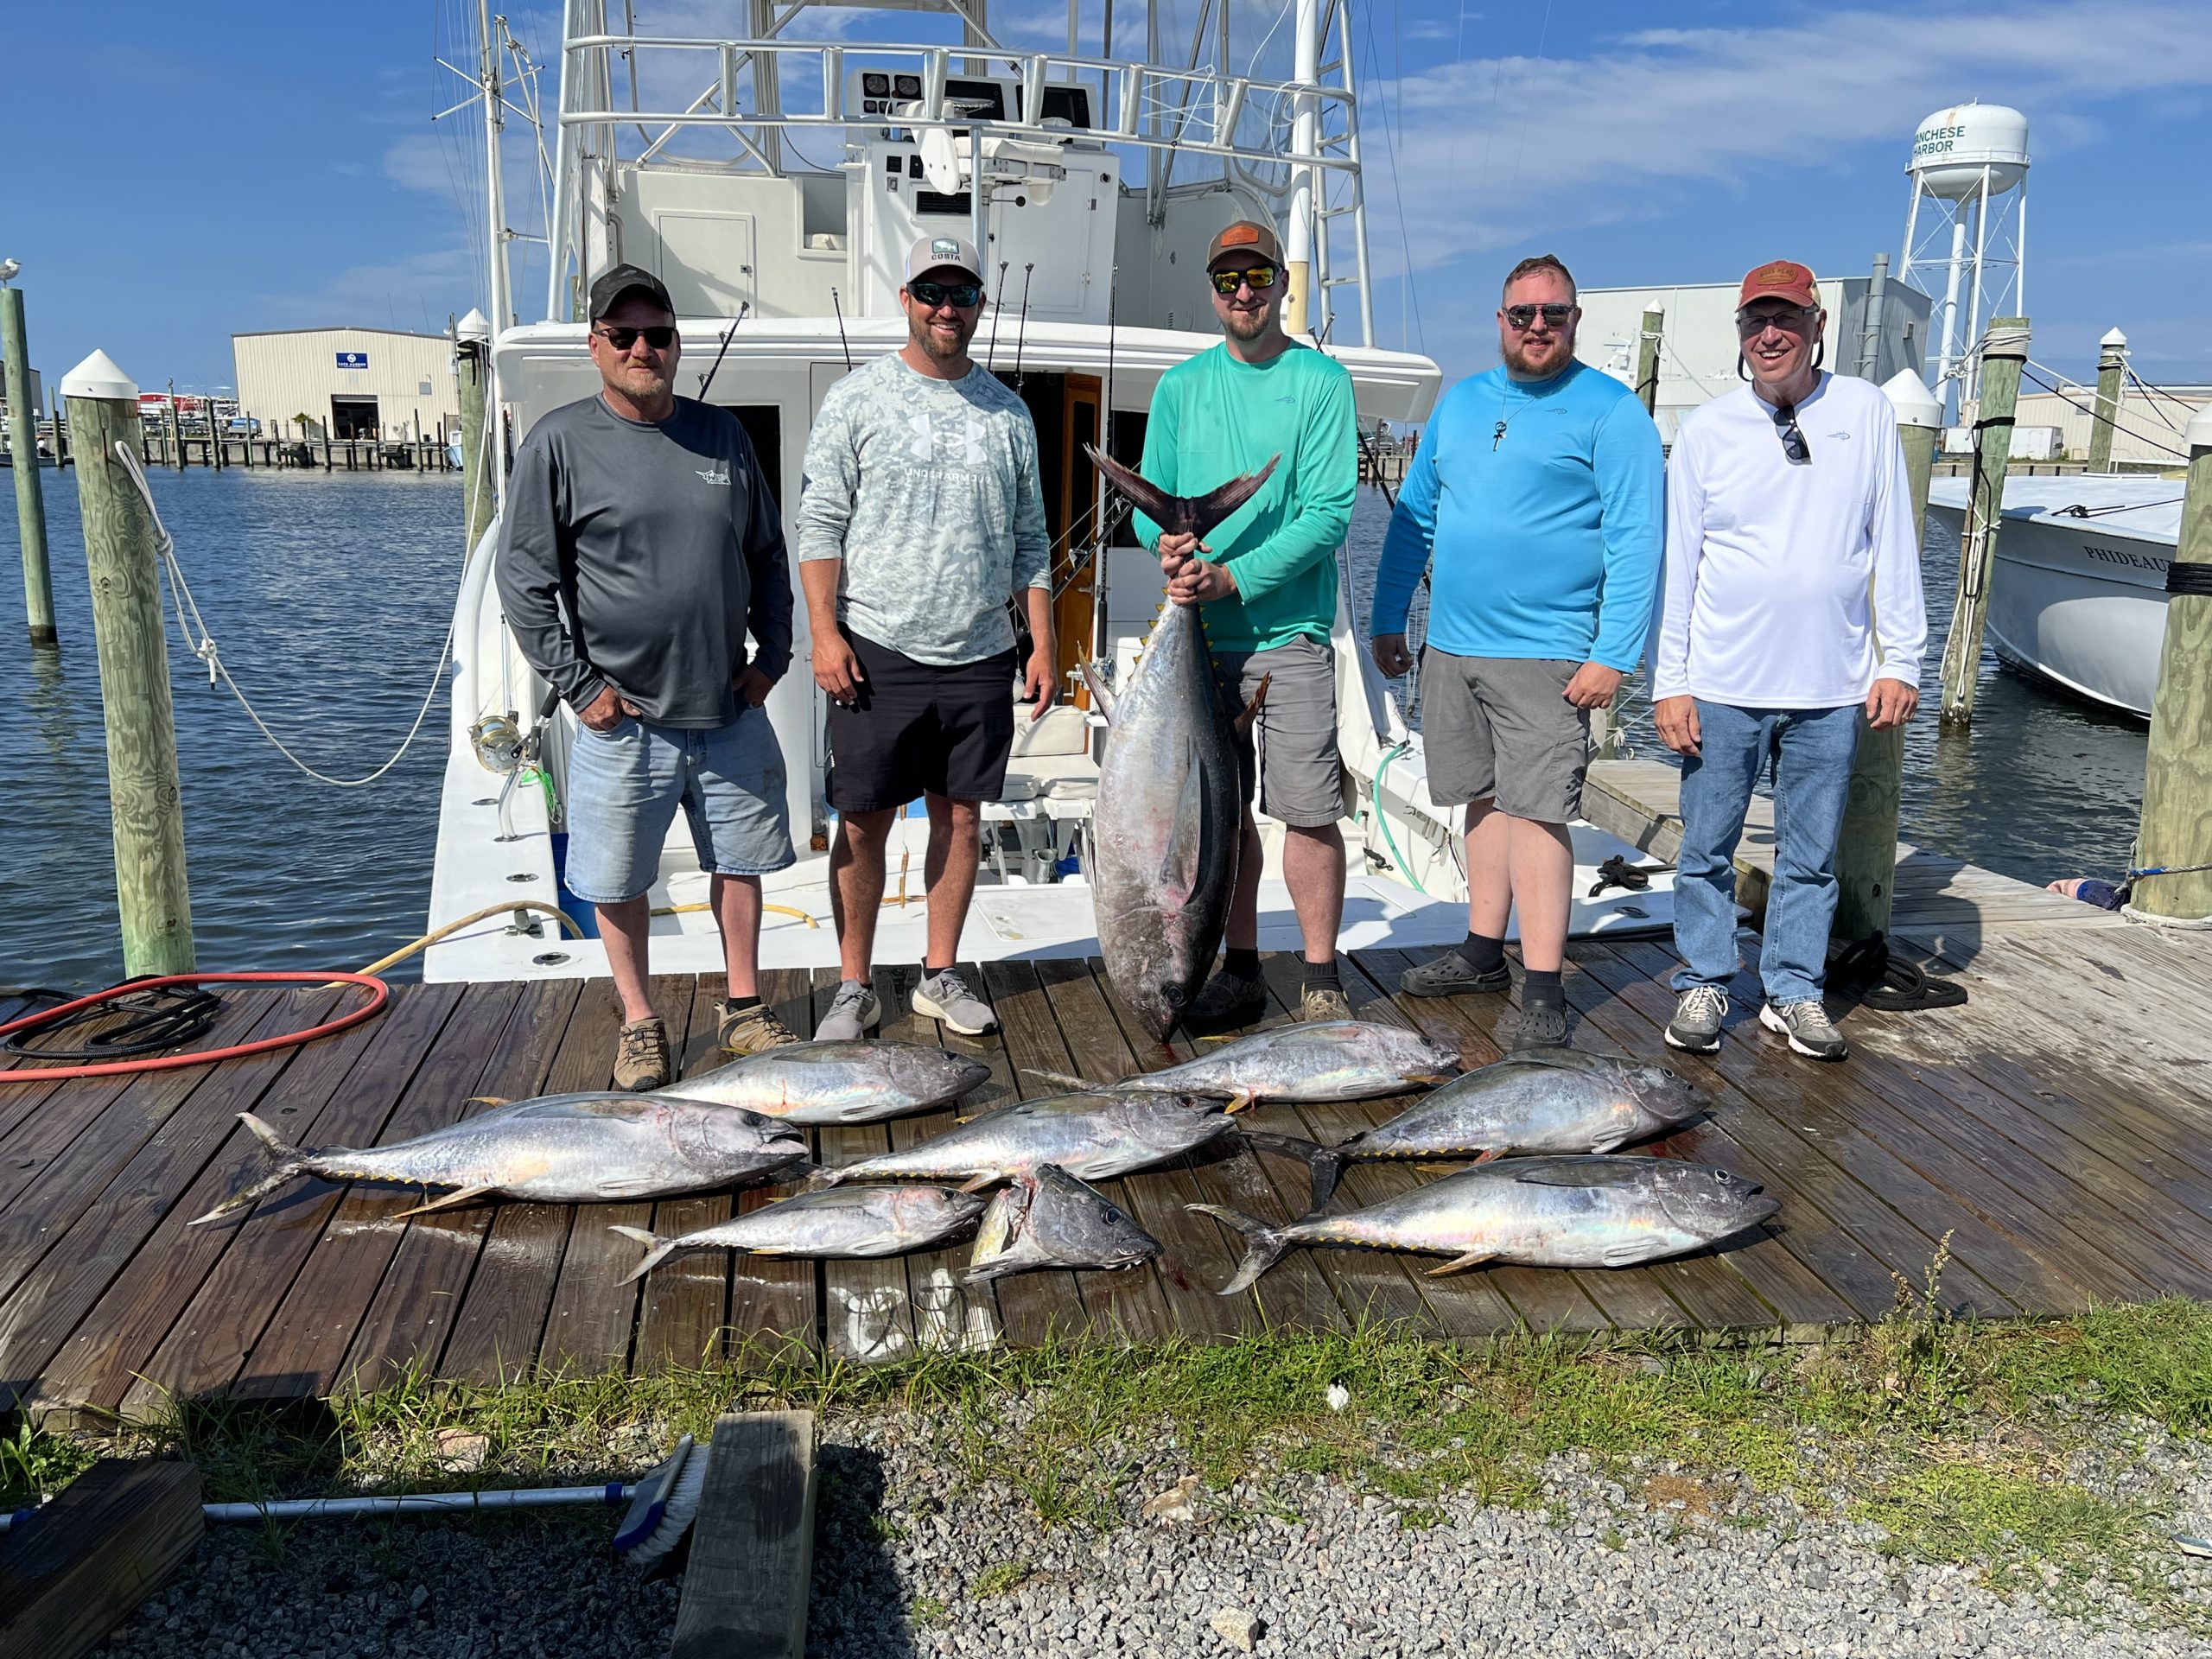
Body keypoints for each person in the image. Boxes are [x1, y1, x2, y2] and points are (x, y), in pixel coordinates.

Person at [498, 263, 799, 1090]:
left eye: (657, 335)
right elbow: (523, 582)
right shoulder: (558, 442)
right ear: (595, 345)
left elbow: (768, 556)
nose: (642, 349)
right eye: (623, 335)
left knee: (740, 863)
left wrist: (772, 658)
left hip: (728, 708)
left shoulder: (724, 437)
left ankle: (744, 1006)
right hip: (621, 718)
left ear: (676, 344)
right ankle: (639, 1021)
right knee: (616, 877)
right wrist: (581, 688)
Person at [1370, 254, 1663, 1049]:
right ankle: (1480, 951)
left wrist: (1614, 654)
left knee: (1537, 813)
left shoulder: (1612, 413)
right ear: (1500, 321)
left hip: (1548, 654)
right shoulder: (1462, 403)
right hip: (1451, 647)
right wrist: (1388, 617)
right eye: (1523, 314)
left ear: (1575, 320)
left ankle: (1543, 985)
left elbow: (1637, 542)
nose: (1538, 326)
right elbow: (1415, 519)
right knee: (1480, 799)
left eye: (1553, 313)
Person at [1651, 259, 1927, 1062]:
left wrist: (1902, 659)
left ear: (1817, 325)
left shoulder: (1866, 411)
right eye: (1755, 320)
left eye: (1787, 318)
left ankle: (1794, 989)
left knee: (1812, 857)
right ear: (1740, 332)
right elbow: (1680, 566)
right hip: (1722, 683)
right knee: (1706, 850)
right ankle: (1705, 977)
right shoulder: (1707, 430)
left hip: (1831, 687)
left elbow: (1893, 542)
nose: (1770, 334)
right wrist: (1671, 683)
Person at [798, 234, 1055, 1040]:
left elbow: (1031, 541)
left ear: (981, 305)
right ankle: (854, 984)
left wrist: (1042, 643)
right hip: (876, 648)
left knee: (962, 821)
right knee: (862, 822)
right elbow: (819, 523)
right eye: (933, 293)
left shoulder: (1010, 413)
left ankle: (939, 974)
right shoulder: (856, 399)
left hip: (981, 653)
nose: (949, 309)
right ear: (907, 299)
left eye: (963, 294)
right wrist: (825, 633)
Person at [1136, 219, 1360, 1026]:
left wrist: (1232, 577)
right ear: (1212, 290)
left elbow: (1330, 513)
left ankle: (1321, 975)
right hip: (1197, 643)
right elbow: (1147, 510)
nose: (1243, 292)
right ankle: (1239, 969)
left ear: (1281, 285)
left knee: (1307, 807)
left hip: (1287, 637)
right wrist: (1167, 544)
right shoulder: (1179, 387)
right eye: (1228, 278)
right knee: (1217, 816)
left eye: (1258, 277)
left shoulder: (1321, 383)